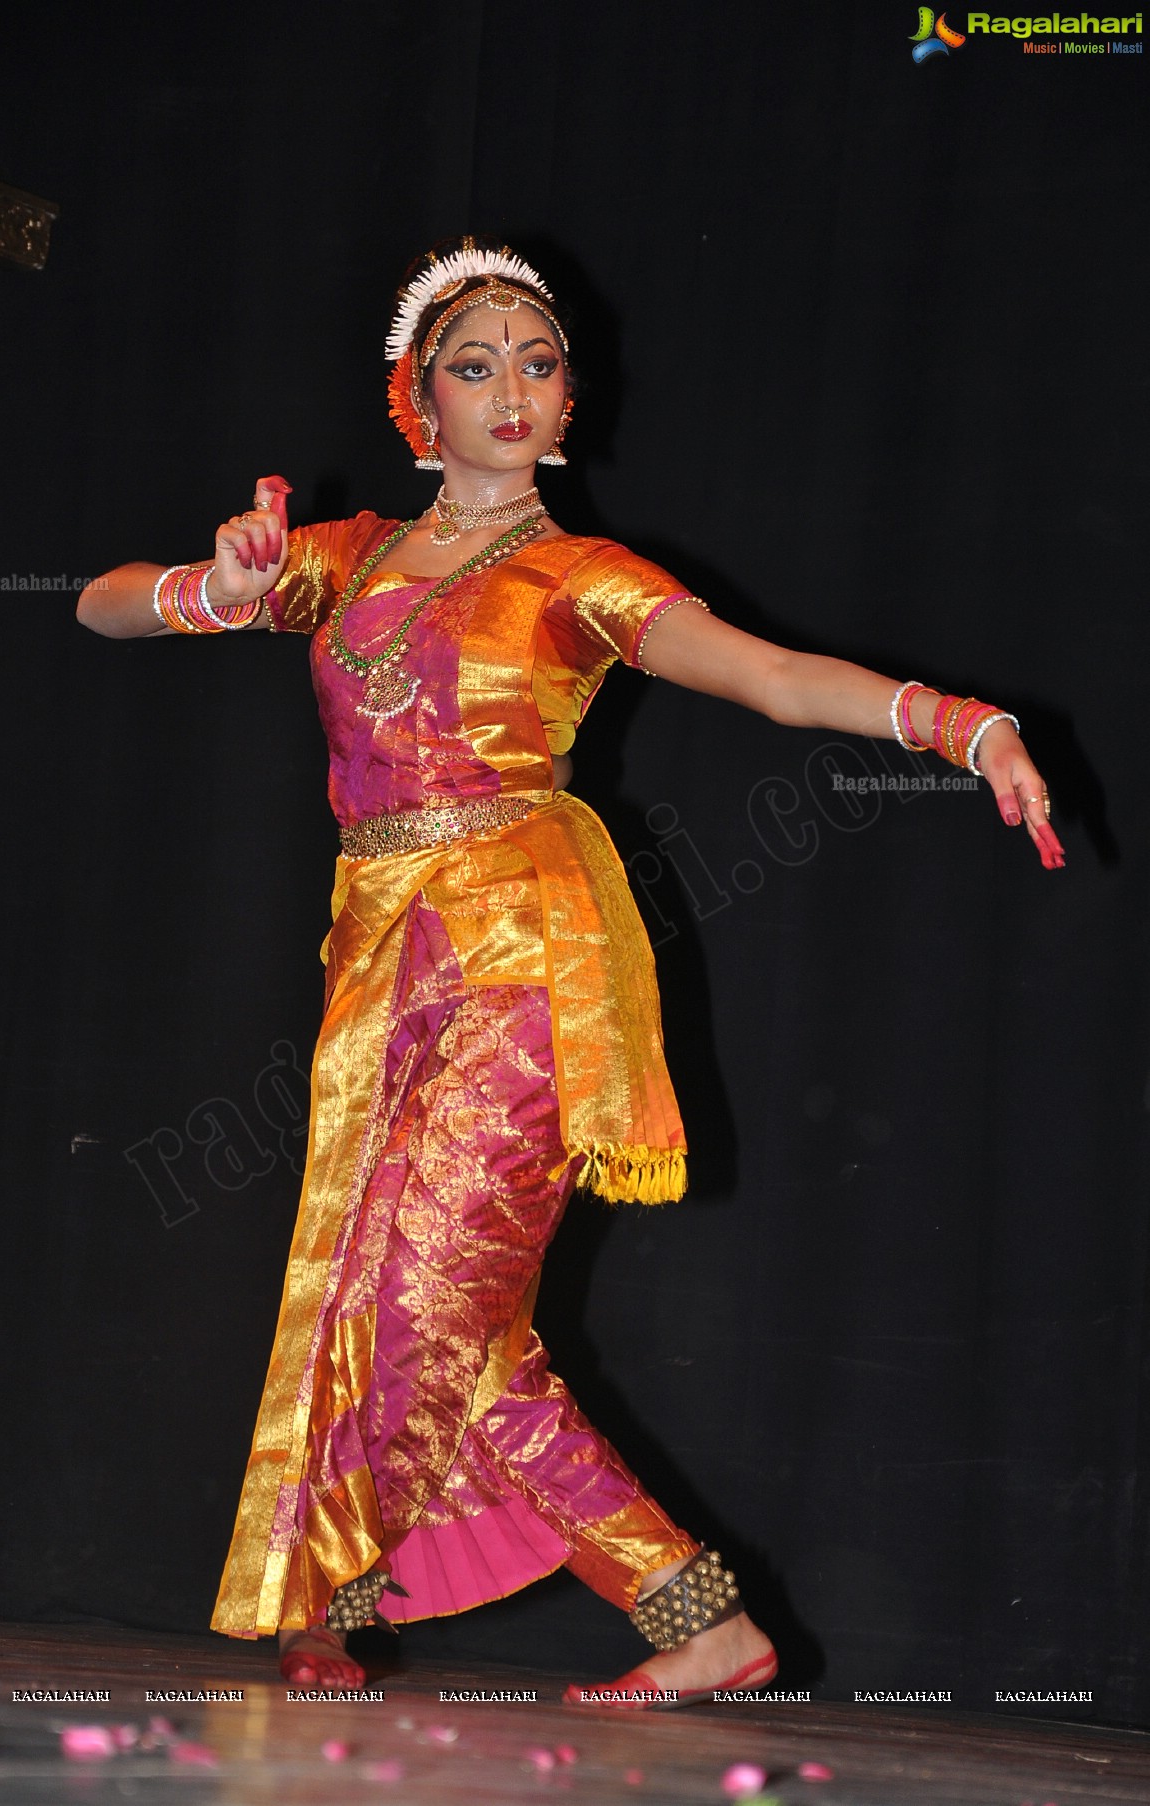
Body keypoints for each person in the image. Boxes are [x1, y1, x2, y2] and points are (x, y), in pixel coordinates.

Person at [77, 236, 1064, 1711]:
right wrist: (216, 588)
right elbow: (96, 601)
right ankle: (350, 1603)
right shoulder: (338, 557)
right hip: (378, 953)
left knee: (430, 1295)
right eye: (477, 363)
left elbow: (772, 674)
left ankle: (659, 1609)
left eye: (540, 361)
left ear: (568, 397)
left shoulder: (572, 574)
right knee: (365, 1286)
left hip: (523, 948)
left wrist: (958, 724)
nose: (517, 386)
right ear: (418, 402)